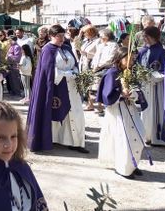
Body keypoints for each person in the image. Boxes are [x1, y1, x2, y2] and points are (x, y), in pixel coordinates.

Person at [26, 24, 88, 153]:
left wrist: (76, 72)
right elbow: (49, 72)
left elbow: (75, 63)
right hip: (55, 88)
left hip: (71, 87)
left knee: (75, 114)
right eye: (58, 36)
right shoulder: (48, 50)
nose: (61, 38)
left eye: (62, 35)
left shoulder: (66, 47)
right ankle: (51, 138)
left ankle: (74, 141)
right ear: (51, 36)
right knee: (53, 113)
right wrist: (68, 74)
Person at [96, 47, 151, 179]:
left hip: (130, 109)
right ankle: (123, 168)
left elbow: (138, 89)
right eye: (128, 58)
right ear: (119, 59)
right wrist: (121, 94)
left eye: (133, 58)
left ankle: (132, 164)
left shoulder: (130, 72)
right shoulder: (112, 73)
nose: (131, 61)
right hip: (117, 111)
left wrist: (133, 94)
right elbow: (107, 96)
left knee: (138, 135)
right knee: (122, 139)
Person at [137, 26, 165, 146]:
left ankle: (157, 136)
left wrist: (152, 76)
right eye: (143, 36)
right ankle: (146, 135)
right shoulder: (142, 51)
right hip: (144, 85)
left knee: (155, 110)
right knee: (145, 111)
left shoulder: (162, 52)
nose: (144, 39)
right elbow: (137, 66)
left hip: (156, 86)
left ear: (153, 37)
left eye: (146, 36)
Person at [90, 29, 118, 115]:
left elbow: (110, 59)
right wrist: (94, 65)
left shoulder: (114, 45)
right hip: (96, 69)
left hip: (106, 69)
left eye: (101, 36)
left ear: (106, 36)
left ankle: (105, 106)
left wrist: (99, 66)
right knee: (95, 89)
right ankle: (99, 107)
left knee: (104, 88)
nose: (100, 38)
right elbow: (96, 56)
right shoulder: (100, 45)